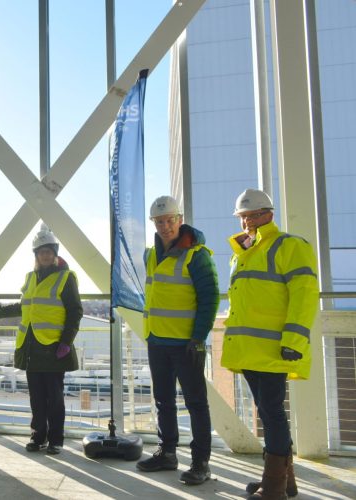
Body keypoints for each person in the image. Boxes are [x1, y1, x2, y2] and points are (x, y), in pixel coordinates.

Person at [221, 189, 319, 499]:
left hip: (275, 347)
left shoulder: (289, 245)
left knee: (272, 411)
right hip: (250, 349)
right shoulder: (242, 252)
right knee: (266, 410)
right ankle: (283, 481)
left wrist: (294, 338)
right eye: (244, 216)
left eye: (254, 215)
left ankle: (274, 486)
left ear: (270, 215)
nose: (248, 221)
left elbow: (304, 294)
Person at [136, 195, 219, 485]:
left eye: (170, 220)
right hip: (157, 340)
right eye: (160, 222)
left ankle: (201, 463)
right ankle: (167, 452)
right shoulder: (150, 255)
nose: (165, 226)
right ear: (154, 224)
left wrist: (198, 338)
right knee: (163, 400)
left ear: (179, 220)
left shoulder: (197, 255)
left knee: (196, 403)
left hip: (186, 343)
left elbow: (210, 299)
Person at [0, 225, 83, 455]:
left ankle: (56, 439)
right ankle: (38, 436)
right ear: (36, 255)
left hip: (54, 346)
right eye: (40, 252)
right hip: (32, 345)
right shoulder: (30, 278)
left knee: (54, 397)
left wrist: (66, 341)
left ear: (55, 254)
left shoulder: (65, 278)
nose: (44, 255)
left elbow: (75, 311)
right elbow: (24, 306)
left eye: (48, 251)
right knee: (36, 396)